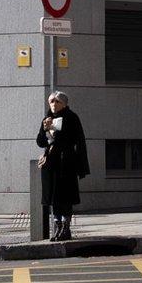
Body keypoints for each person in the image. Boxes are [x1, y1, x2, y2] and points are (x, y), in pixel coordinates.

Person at [36, 91, 90, 241]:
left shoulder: (71, 118)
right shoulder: (46, 119)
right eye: (51, 101)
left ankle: (66, 228)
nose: (53, 104)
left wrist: (54, 132)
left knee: (65, 196)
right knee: (53, 197)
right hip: (51, 163)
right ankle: (57, 226)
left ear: (64, 104)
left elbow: (76, 140)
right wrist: (46, 132)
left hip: (66, 162)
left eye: (57, 101)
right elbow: (40, 141)